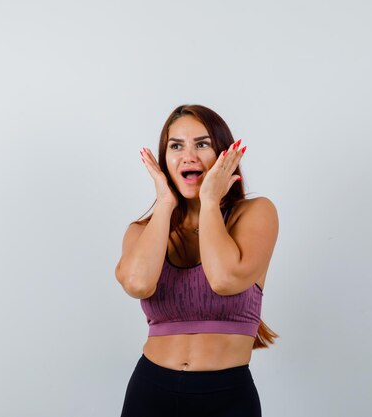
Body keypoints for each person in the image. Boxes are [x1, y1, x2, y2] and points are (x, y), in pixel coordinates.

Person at [115, 104, 279, 416]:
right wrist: (165, 202)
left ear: (224, 154)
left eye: (201, 144)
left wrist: (210, 201)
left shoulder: (256, 213)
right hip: (150, 392)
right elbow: (138, 283)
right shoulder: (141, 231)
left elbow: (225, 279)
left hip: (227, 396)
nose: (188, 156)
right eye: (176, 146)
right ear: (164, 159)